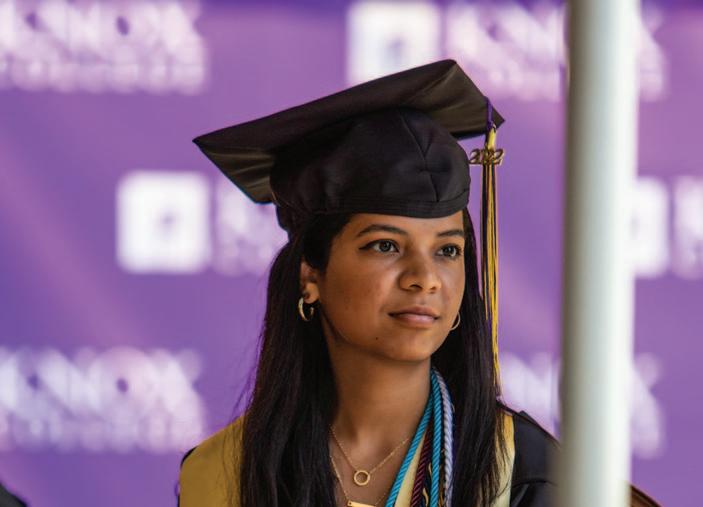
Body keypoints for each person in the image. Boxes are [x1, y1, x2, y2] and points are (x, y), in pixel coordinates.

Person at [177, 60, 659, 507]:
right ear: (310, 276)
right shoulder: (220, 474)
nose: (425, 279)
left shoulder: (526, 472)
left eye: (447, 250)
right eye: (385, 245)